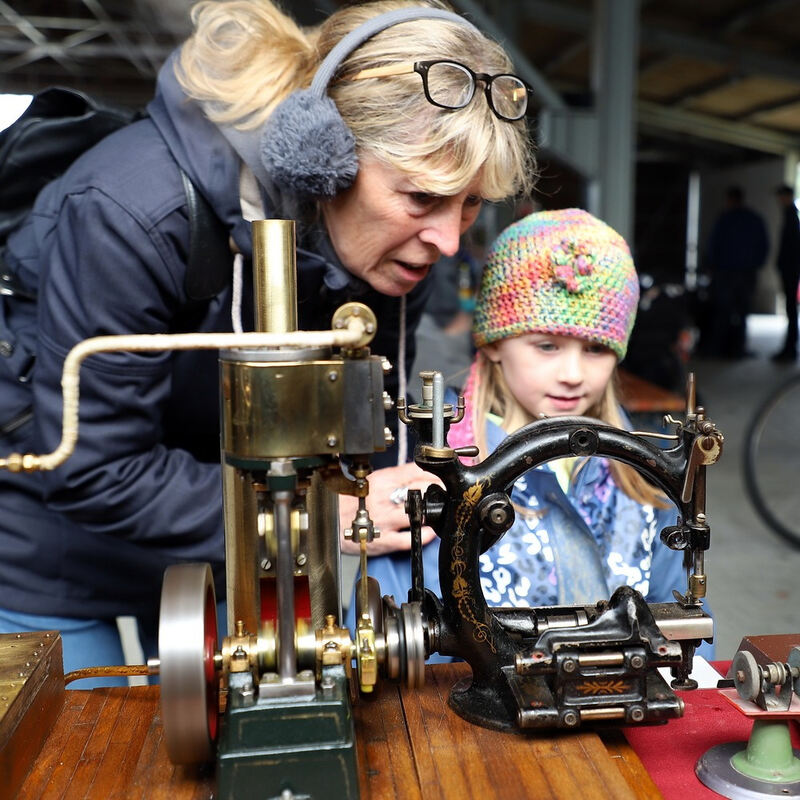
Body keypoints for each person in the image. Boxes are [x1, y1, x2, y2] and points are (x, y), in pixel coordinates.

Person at [0, 0, 534, 680]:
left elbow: (361, 432)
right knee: (72, 752)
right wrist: (319, 513)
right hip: (59, 548)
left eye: (469, 204)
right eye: (422, 198)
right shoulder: (129, 208)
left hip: (241, 538)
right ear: (325, 159)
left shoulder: (397, 246)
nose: (449, 240)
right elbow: (94, 468)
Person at [351, 209, 692, 643]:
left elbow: (683, 617)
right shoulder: (435, 474)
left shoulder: (642, 481)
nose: (572, 372)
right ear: (493, 342)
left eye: (595, 349)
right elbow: (389, 633)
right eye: (547, 345)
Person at [704, 186, 769, 358]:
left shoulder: (724, 219)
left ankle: (717, 349)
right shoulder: (754, 219)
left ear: (730, 199)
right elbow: (763, 246)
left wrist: (712, 267)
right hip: (746, 273)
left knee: (722, 312)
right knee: (742, 312)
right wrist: (755, 265)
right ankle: (738, 349)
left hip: (726, 273)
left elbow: (713, 245)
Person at [772, 184, 800, 362]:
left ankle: (790, 348)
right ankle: (790, 346)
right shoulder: (790, 214)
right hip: (790, 268)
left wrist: (786, 265)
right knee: (790, 308)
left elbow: (793, 246)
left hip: (791, 269)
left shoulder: (792, 216)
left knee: (791, 308)